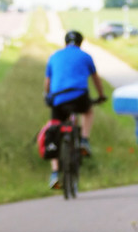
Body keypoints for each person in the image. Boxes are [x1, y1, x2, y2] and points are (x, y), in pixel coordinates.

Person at [44, 30, 106, 190]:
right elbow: (96, 79)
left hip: (58, 98)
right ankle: (84, 140)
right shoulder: (85, 56)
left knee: (55, 128)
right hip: (79, 95)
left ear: (65, 42)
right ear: (80, 43)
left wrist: (47, 96)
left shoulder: (54, 56)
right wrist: (101, 95)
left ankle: (54, 173)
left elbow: (47, 83)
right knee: (88, 111)